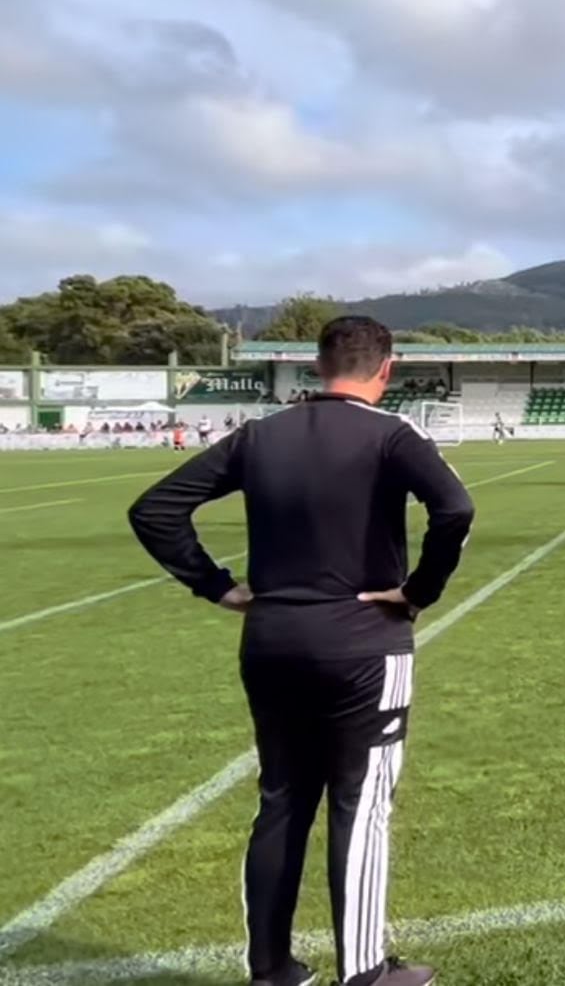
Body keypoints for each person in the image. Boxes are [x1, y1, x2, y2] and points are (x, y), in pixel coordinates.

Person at [127, 315, 473, 986]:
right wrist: (418, 591)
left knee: (282, 798)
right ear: (386, 369)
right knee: (361, 802)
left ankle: (272, 968)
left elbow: (156, 509)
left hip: (272, 640)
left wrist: (217, 587)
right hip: (363, 643)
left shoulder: (260, 435)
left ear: (317, 367)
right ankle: (366, 971)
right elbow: (455, 510)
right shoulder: (393, 435)